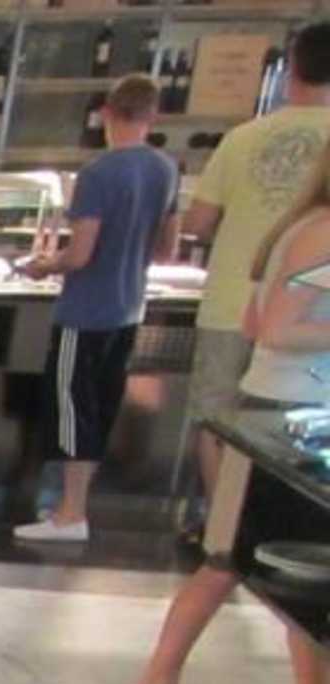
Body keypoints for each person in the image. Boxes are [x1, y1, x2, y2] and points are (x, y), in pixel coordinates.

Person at [123, 142, 330, 684]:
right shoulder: (322, 233)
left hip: (275, 405)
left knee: (279, 561)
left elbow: (252, 320)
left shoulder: (301, 226)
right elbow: (278, 327)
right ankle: (160, 682)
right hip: (286, 413)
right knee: (246, 560)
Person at [178, 21, 330, 542]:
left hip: (233, 301)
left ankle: (224, 533)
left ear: (291, 71)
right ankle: (265, 540)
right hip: (307, 337)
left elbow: (198, 224)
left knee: (216, 421)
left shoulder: (242, 138)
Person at [13, 75, 180, 543]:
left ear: (106, 113)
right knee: (100, 408)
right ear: (153, 116)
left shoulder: (98, 173)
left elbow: (80, 255)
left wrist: (43, 265)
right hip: (129, 308)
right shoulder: (166, 168)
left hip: (85, 311)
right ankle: (71, 509)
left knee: (72, 411)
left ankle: (70, 514)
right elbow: (166, 250)